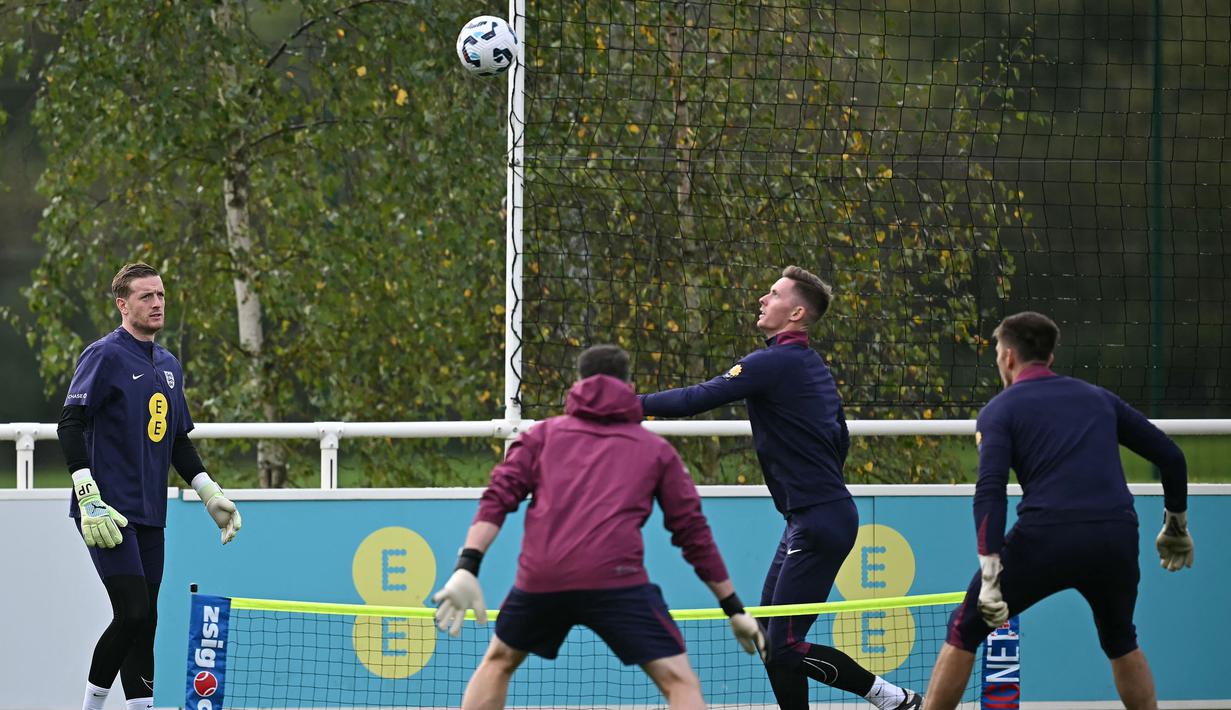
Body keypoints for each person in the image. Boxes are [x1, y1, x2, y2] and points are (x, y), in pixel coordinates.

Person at [638, 266, 921, 710]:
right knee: (773, 639)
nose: (761, 299)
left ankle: (895, 700)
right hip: (812, 517)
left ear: (796, 312)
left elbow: (695, 399)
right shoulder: (810, 366)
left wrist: (625, 406)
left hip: (818, 520)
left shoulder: (772, 363)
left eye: (772, 293)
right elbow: (840, 437)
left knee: (784, 644)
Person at [432, 344, 765, 710]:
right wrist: (733, 608)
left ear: (578, 382)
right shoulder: (656, 451)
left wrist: (468, 566)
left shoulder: (540, 437)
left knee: (498, 662)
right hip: (618, 582)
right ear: (629, 385)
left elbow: (497, 498)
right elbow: (693, 535)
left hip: (544, 579)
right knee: (679, 681)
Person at [922, 311, 1193, 710]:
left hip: (1048, 536)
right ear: (1049, 358)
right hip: (1115, 534)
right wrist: (1176, 524)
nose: (998, 359)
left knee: (964, 629)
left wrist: (991, 568)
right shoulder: (1098, 398)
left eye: (997, 351)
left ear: (1009, 357)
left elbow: (991, 491)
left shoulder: (1000, 410)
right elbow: (1171, 457)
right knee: (1120, 640)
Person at [58, 262, 243, 710]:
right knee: (132, 612)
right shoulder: (104, 354)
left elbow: (177, 440)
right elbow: (70, 423)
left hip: (149, 514)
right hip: (107, 511)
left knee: (149, 619)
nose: (157, 303)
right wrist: (87, 493)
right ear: (123, 305)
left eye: (160, 294)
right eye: (146, 296)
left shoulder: (168, 365)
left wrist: (208, 492)